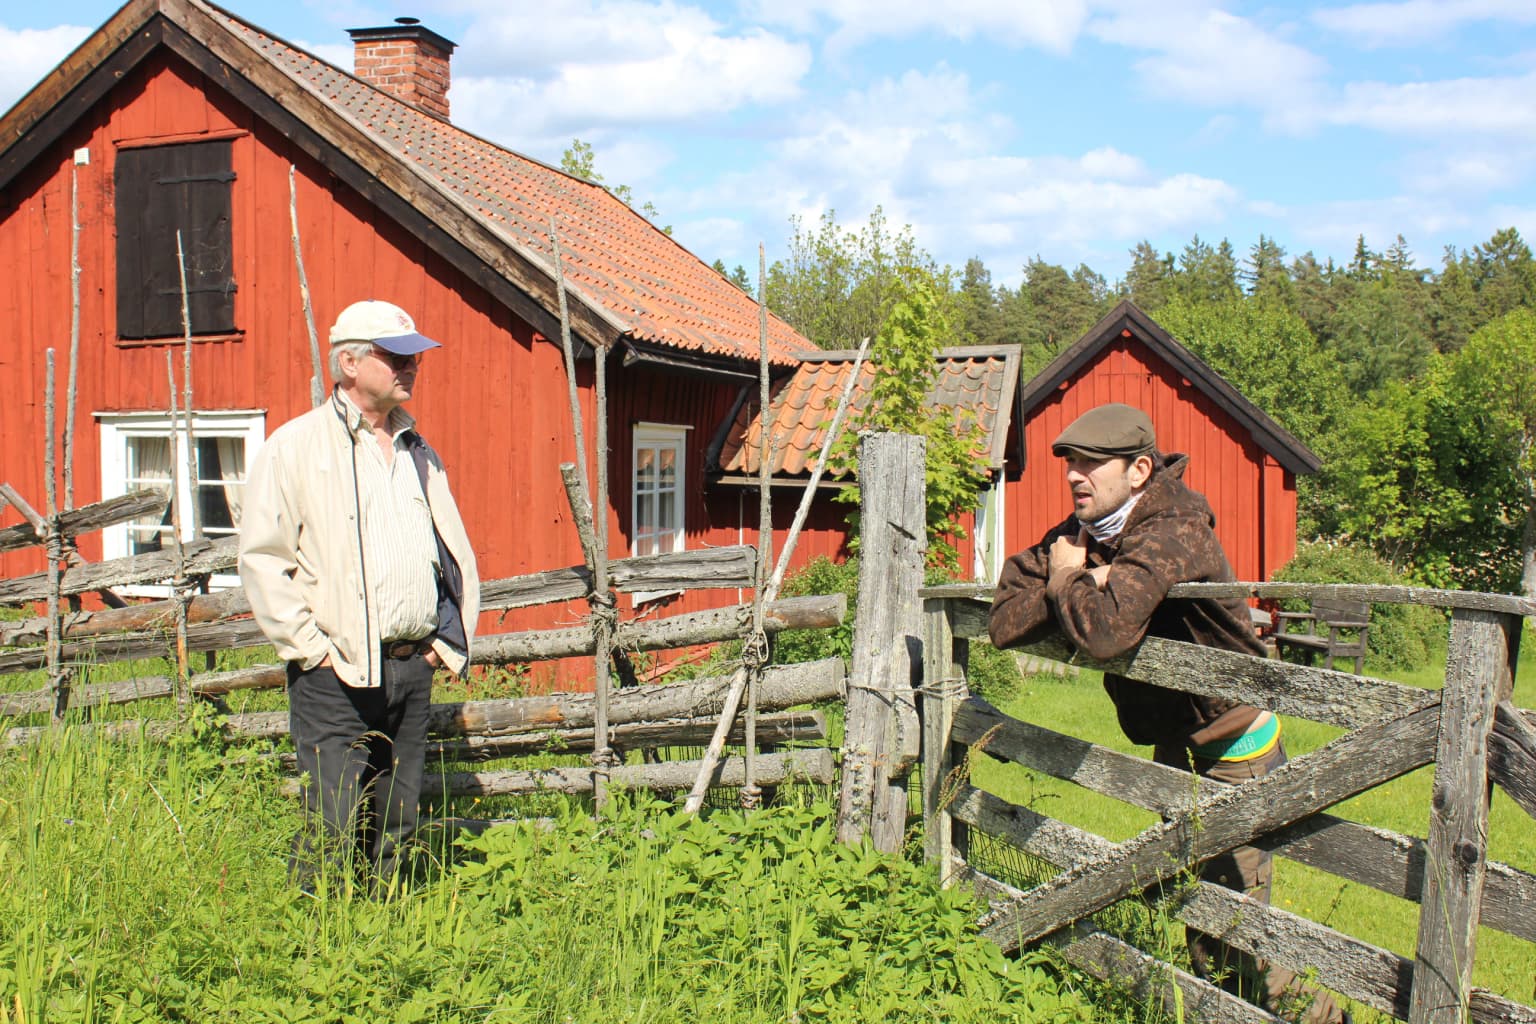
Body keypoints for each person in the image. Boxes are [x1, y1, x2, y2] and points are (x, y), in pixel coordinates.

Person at [988, 403, 1345, 1024]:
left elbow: (1105, 637)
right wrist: (1074, 580)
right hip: (1176, 744)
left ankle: (1317, 1018)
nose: (1075, 476)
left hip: (1236, 747)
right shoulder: (1087, 538)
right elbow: (1001, 618)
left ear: (1139, 470)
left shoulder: (1175, 531)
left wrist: (1073, 583)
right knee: (1195, 908)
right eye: (1071, 463)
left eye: (1092, 464)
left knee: (1233, 929)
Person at [239, 299, 479, 894]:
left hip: (410, 664)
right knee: (333, 819)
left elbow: (448, 551)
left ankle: (386, 924)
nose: (410, 366)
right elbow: (264, 558)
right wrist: (312, 650)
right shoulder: (295, 448)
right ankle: (319, 944)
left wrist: (442, 644)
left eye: (414, 356)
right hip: (335, 670)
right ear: (348, 363)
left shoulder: (417, 451)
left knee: (398, 817)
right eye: (394, 355)